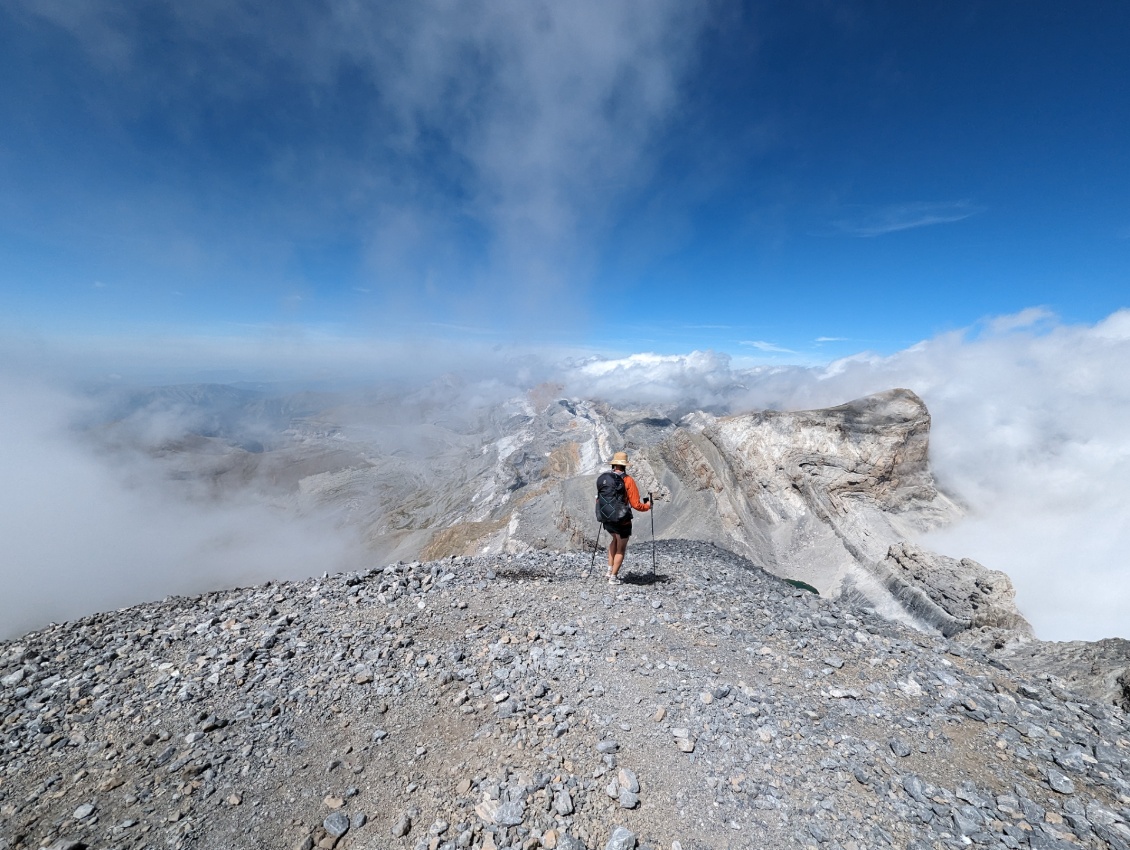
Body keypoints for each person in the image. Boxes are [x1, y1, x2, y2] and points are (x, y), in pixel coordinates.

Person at [597, 451, 650, 584]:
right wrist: (648, 506)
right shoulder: (628, 480)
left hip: (607, 517)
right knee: (621, 547)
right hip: (622, 519)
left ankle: (609, 571)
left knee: (614, 540)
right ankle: (614, 578)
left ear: (614, 465)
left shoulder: (605, 479)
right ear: (625, 465)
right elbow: (636, 504)